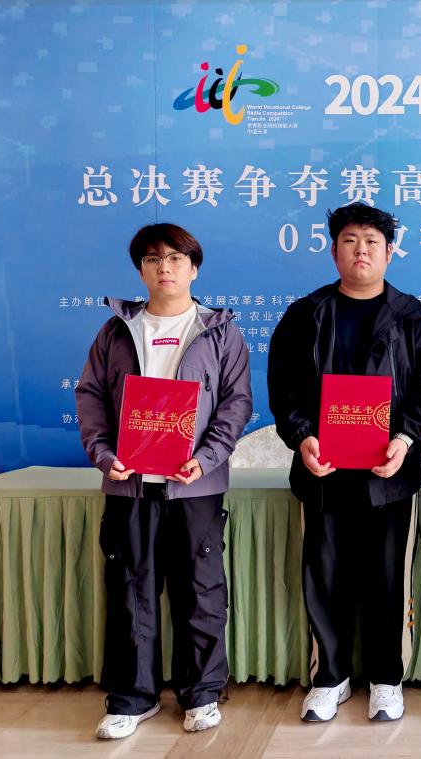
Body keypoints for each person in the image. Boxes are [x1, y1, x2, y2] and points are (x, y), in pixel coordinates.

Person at [267, 202, 421, 722]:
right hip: (323, 474)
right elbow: (284, 387)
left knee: (388, 579)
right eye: (350, 241)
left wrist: (406, 439)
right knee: (325, 577)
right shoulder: (306, 315)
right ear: (334, 251)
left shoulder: (414, 318)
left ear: (389, 252)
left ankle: (386, 679)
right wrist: (302, 437)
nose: (361, 250)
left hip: (387, 477)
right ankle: (331, 677)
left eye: (371, 242)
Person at [76, 223, 252, 739]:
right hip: (130, 483)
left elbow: (236, 402)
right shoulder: (116, 331)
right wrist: (104, 455)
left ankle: (202, 694)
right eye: (153, 259)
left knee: (201, 590)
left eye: (176, 258)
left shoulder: (219, 330)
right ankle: (132, 698)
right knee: (131, 589)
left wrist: (207, 457)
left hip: (195, 485)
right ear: (140, 271)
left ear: (194, 268)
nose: (164, 268)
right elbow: (90, 396)